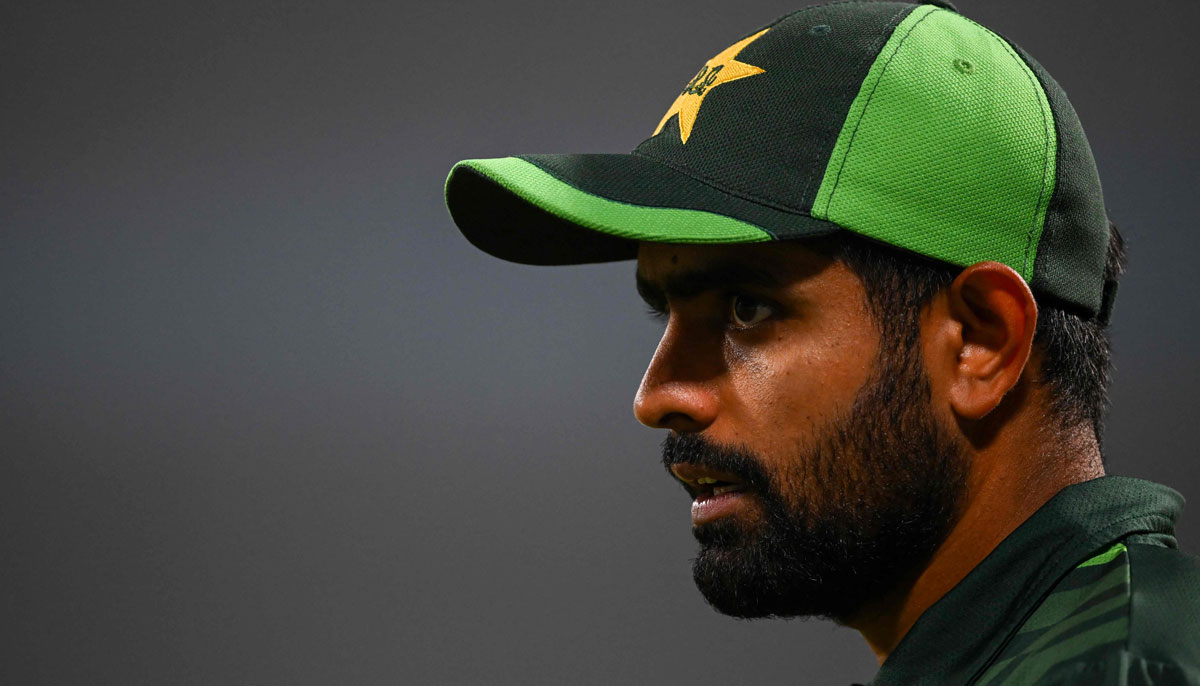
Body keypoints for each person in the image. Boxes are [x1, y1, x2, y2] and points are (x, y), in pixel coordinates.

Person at [443, 1, 1200, 683]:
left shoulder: (1122, 670)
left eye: (746, 309)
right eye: (663, 313)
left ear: (982, 341)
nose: (656, 397)